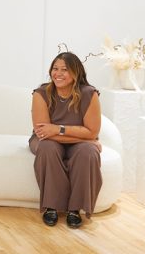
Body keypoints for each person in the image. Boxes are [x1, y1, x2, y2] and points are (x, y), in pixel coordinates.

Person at [29, 51, 102, 229]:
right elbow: (42, 133)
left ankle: (75, 209)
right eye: (55, 68)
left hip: (79, 143)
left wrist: (58, 129)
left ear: (76, 73)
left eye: (64, 69)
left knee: (88, 152)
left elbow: (92, 132)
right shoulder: (41, 93)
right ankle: (52, 207)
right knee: (48, 148)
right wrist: (83, 135)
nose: (58, 73)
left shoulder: (89, 94)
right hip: (48, 141)